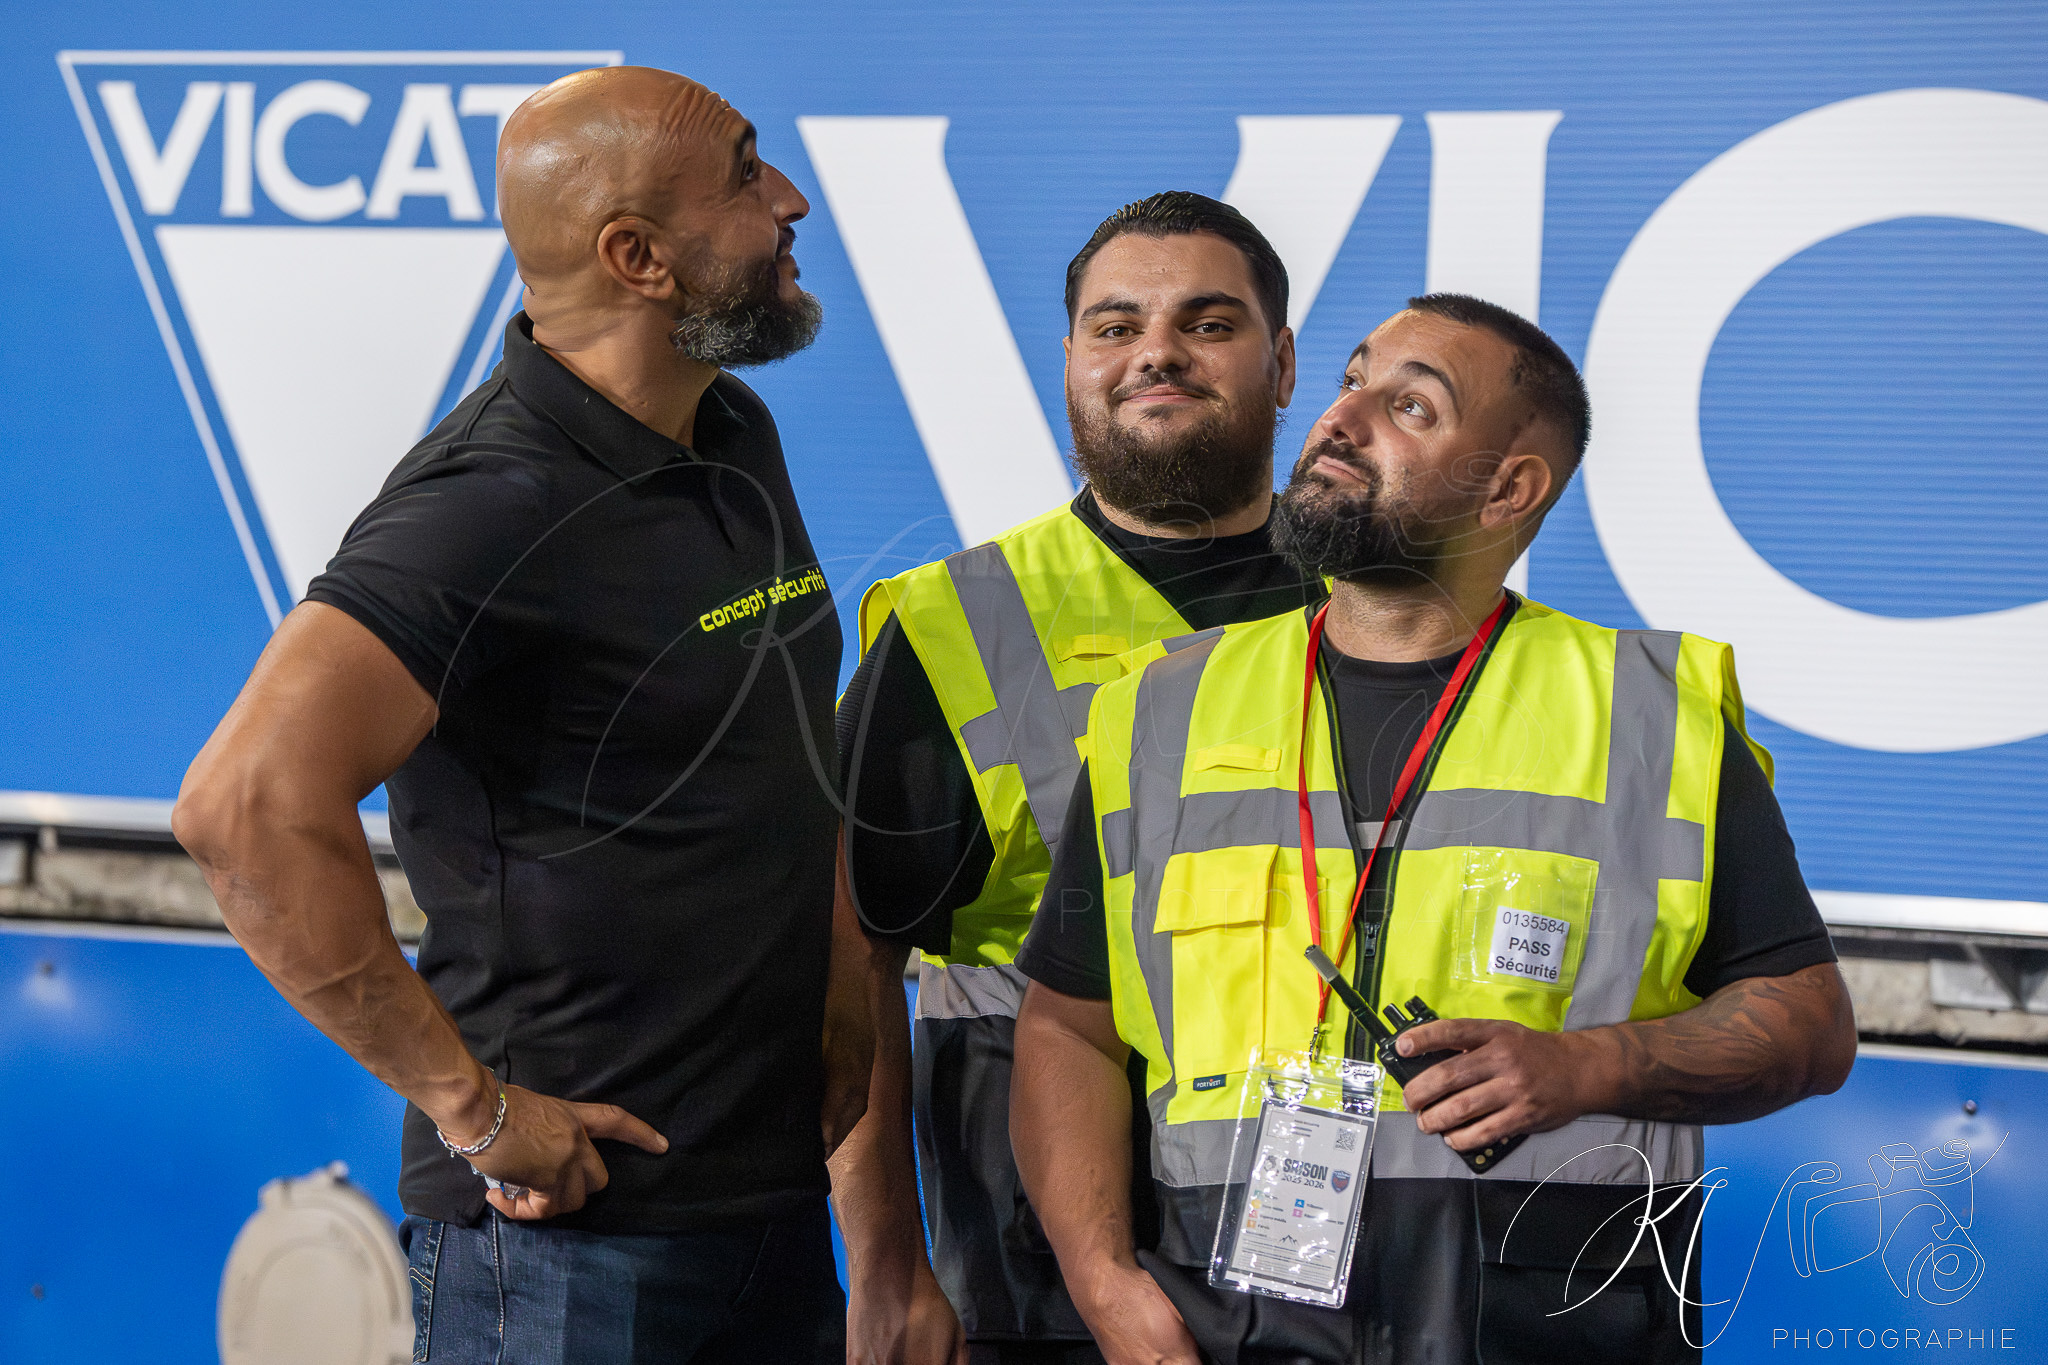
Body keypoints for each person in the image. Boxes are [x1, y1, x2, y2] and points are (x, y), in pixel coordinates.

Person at [1010, 294, 1858, 1365]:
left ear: (1508, 487)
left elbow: (1809, 1025)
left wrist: (1586, 1066)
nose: (1340, 418)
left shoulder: (1649, 714)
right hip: (1221, 1333)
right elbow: (1064, 1027)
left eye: (1409, 406)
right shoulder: (1162, 711)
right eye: (1350, 380)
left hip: (1552, 1336)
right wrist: (1101, 1284)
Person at [173, 66, 867, 1363]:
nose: (790, 200)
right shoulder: (486, 503)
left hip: (765, 1203)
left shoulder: (731, 430)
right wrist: (474, 1109)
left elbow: (783, 736)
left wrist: (842, 988)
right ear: (638, 256)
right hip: (564, 1246)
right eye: (746, 173)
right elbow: (242, 810)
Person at [832, 192, 1327, 1364]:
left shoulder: (1377, 611)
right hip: (1027, 1242)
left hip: (1326, 1207)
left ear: (1285, 363)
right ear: (1069, 363)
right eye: (1115, 326)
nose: (1155, 349)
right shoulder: (958, 622)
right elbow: (848, 966)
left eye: (1207, 323)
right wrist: (887, 1274)